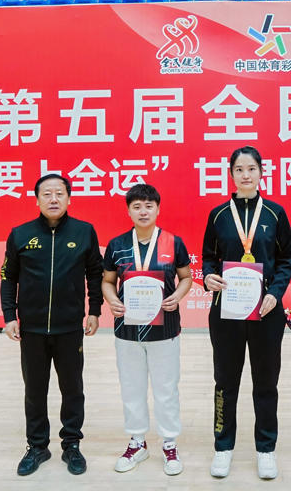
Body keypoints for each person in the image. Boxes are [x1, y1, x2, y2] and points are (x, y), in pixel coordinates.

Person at [201, 146, 291, 479]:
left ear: (261, 172)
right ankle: (223, 446)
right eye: (239, 169)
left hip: (266, 311)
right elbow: (208, 257)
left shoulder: (275, 213)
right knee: (225, 382)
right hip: (226, 312)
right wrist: (208, 277)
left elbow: (287, 258)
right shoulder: (218, 215)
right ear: (231, 174)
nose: (246, 175)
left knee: (266, 383)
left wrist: (275, 292)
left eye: (252, 169)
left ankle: (265, 449)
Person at [0, 173, 103, 477]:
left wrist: (95, 310)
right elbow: (8, 277)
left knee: (72, 389)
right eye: (47, 194)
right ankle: (37, 446)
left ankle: (71, 445)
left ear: (69, 198)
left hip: (69, 327)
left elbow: (94, 273)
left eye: (60, 193)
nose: (54, 199)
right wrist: (9, 315)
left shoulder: (84, 231)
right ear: (37, 200)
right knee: (35, 389)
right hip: (31, 328)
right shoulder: (21, 234)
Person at [101, 184, 192, 476]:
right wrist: (112, 300)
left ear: (158, 209)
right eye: (137, 206)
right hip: (127, 329)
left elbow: (186, 277)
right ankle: (137, 442)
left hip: (165, 328)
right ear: (128, 211)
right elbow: (107, 281)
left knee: (166, 389)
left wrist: (178, 296)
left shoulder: (174, 242)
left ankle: (169, 443)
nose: (143, 211)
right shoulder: (116, 245)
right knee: (132, 388)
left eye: (148, 206)